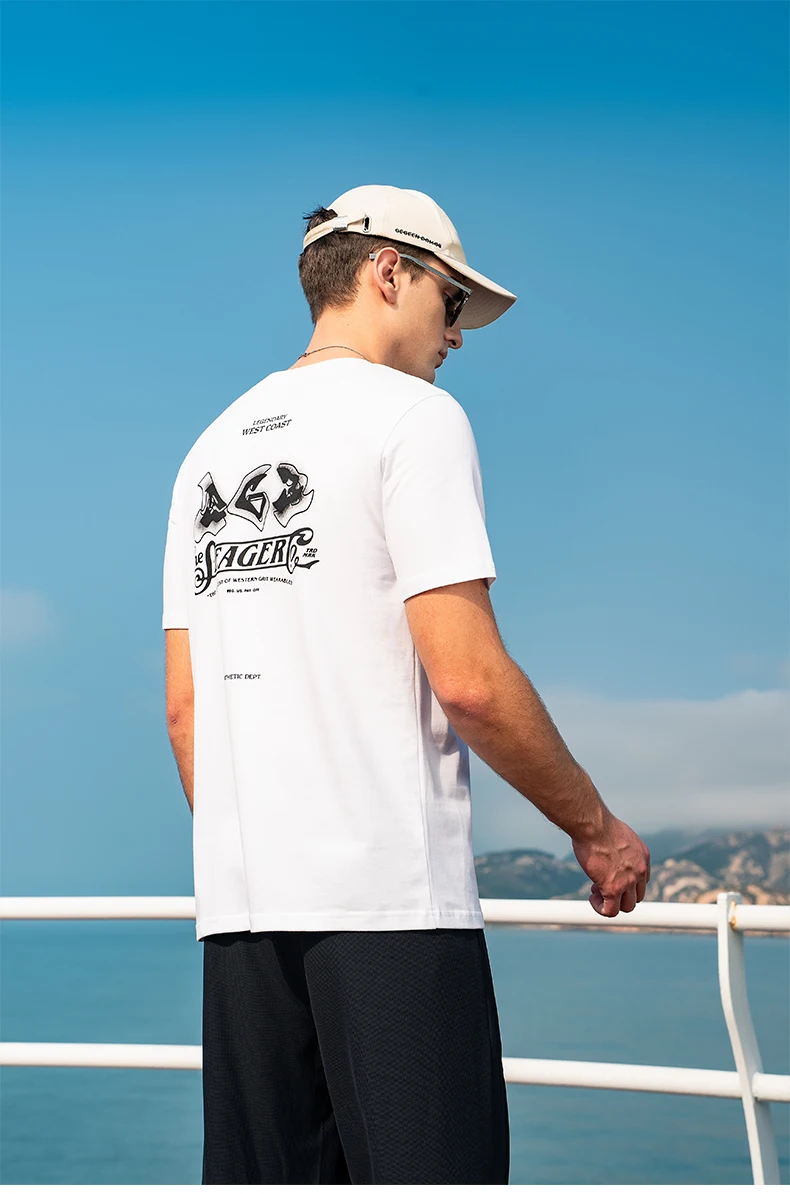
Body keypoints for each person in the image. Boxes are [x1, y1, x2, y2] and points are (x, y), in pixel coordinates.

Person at [162, 183, 651, 1185]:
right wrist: (596, 829)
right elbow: (467, 680)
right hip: (390, 909)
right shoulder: (414, 419)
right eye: (452, 301)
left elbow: (186, 710)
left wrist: (268, 857)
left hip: (242, 917)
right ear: (388, 271)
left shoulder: (209, 450)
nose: (457, 334)